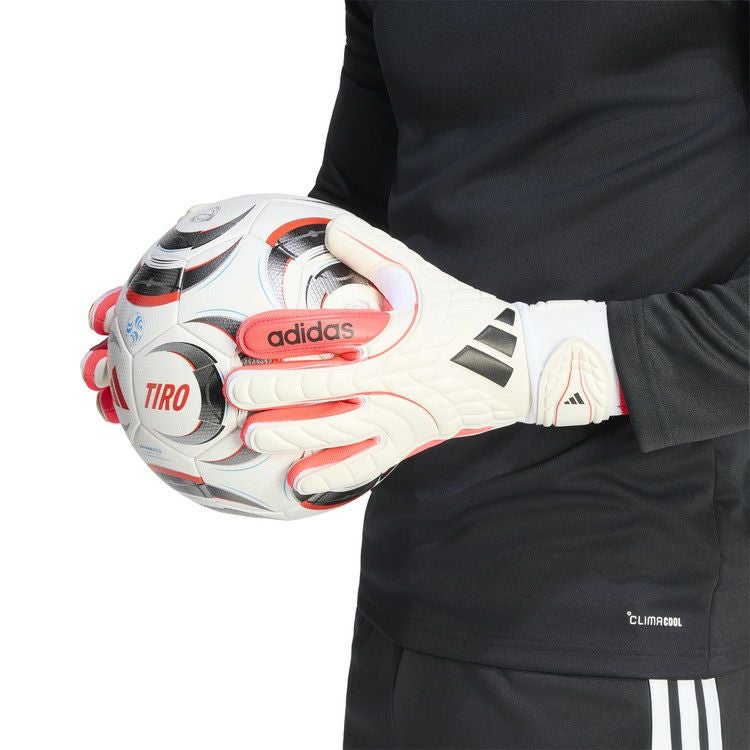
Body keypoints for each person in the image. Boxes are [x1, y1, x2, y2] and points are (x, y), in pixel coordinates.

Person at [86, 2, 749, 748]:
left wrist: (527, 362)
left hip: (622, 610)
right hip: (410, 587)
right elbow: (360, 217)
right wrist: (212, 335)